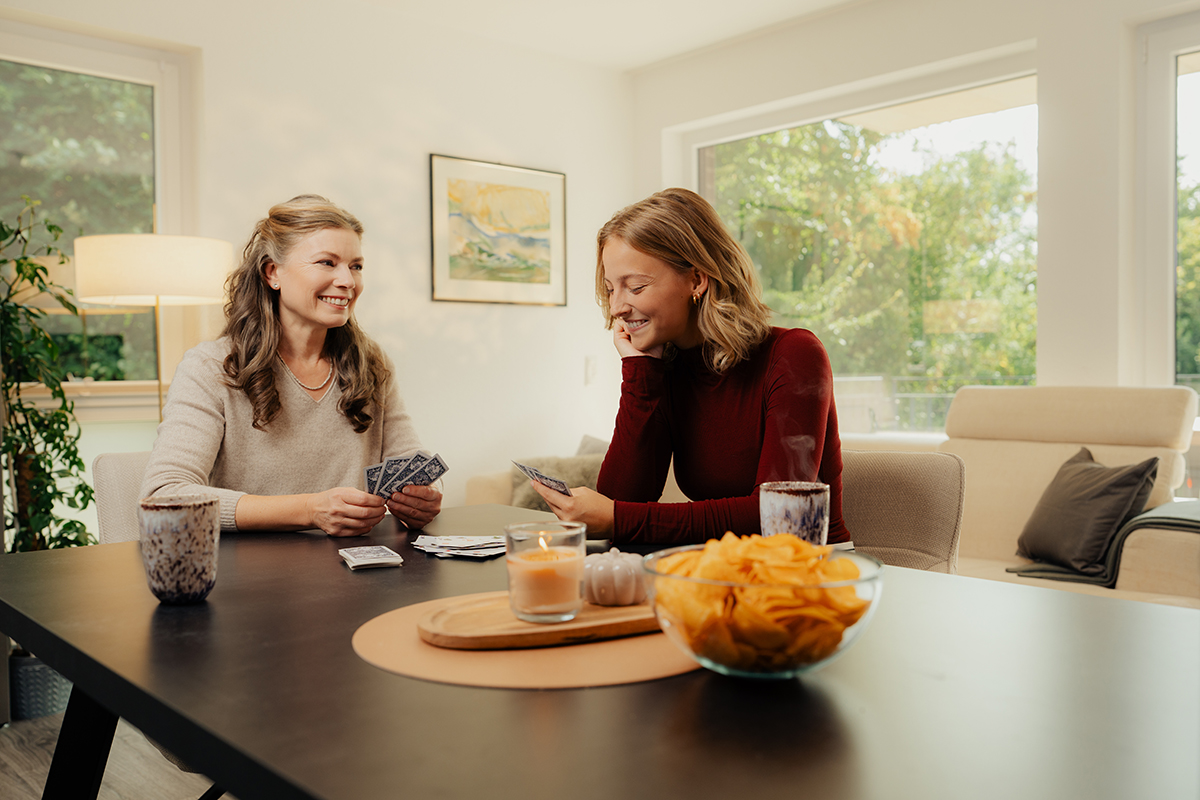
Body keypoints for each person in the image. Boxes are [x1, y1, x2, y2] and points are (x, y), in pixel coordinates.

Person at [530, 188, 849, 545]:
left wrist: (619, 518)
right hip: (721, 563)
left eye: (635, 287)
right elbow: (621, 500)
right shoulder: (666, 369)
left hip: (809, 565)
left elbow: (780, 517)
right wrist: (639, 373)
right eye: (609, 289)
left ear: (697, 280)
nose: (617, 307)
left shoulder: (794, 354)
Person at [141, 194, 441, 536]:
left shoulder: (370, 363)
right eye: (327, 262)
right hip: (248, 564)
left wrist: (423, 499)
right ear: (273, 273)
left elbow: (410, 461)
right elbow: (164, 496)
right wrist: (310, 510)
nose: (348, 281)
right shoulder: (210, 367)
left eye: (356, 266)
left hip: (354, 561)